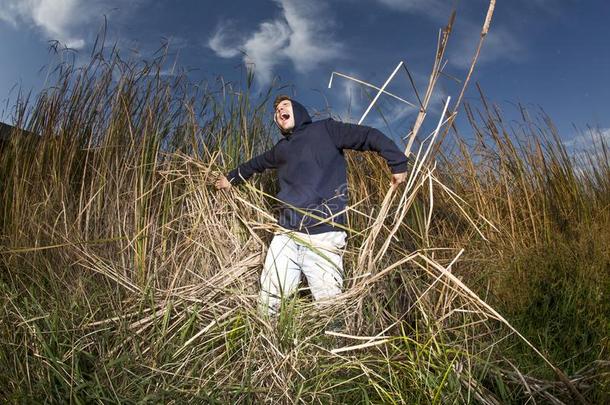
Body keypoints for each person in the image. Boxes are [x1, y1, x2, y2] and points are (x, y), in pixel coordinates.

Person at [215, 95, 409, 316]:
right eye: (276, 111)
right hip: (286, 233)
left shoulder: (326, 130)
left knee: (329, 304)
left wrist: (397, 162)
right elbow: (255, 164)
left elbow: (367, 135)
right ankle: (264, 345)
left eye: (284, 106)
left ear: (298, 109)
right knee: (269, 299)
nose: (280, 111)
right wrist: (230, 179)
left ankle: (332, 348)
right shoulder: (281, 149)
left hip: (324, 233)